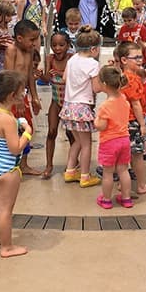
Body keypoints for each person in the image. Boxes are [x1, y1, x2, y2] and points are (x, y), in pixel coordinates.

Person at [0, 70, 33, 258]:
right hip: (7, 170)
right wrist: (27, 132)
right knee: (5, 210)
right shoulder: (8, 120)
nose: (23, 94)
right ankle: (7, 247)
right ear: (12, 95)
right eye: (22, 91)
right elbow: (15, 148)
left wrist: (14, 123)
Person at [61, 25, 103, 187]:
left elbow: (65, 78)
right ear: (93, 49)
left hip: (69, 106)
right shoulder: (92, 64)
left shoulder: (72, 60)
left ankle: (70, 171)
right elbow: (97, 88)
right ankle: (85, 175)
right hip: (82, 108)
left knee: (77, 142)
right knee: (86, 144)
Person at [115, 41, 146, 195]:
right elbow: (136, 104)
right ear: (124, 60)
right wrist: (143, 124)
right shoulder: (131, 79)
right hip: (132, 121)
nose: (140, 60)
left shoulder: (122, 77)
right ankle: (141, 185)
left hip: (123, 121)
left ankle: (122, 183)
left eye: (141, 57)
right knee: (137, 155)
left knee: (124, 154)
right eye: (136, 57)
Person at [4, 19, 42, 175]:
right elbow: (9, 76)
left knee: (27, 129)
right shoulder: (12, 50)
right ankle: (9, 164)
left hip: (23, 95)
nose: (34, 43)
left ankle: (24, 164)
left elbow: (30, 76)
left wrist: (34, 96)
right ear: (19, 38)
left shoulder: (30, 51)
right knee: (11, 130)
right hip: (11, 96)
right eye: (31, 40)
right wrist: (16, 99)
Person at [94, 65, 132, 209]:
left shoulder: (105, 106)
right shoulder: (124, 99)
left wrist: (96, 121)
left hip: (109, 142)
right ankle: (126, 198)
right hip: (124, 139)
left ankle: (106, 199)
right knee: (123, 170)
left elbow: (102, 126)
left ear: (104, 85)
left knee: (108, 173)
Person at [39, 31, 73, 179]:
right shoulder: (49, 58)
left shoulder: (72, 59)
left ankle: (73, 163)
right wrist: (42, 75)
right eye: (54, 45)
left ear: (68, 45)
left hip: (69, 102)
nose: (57, 48)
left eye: (61, 45)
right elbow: (46, 79)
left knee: (71, 134)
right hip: (55, 100)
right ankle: (49, 165)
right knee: (52, 132)